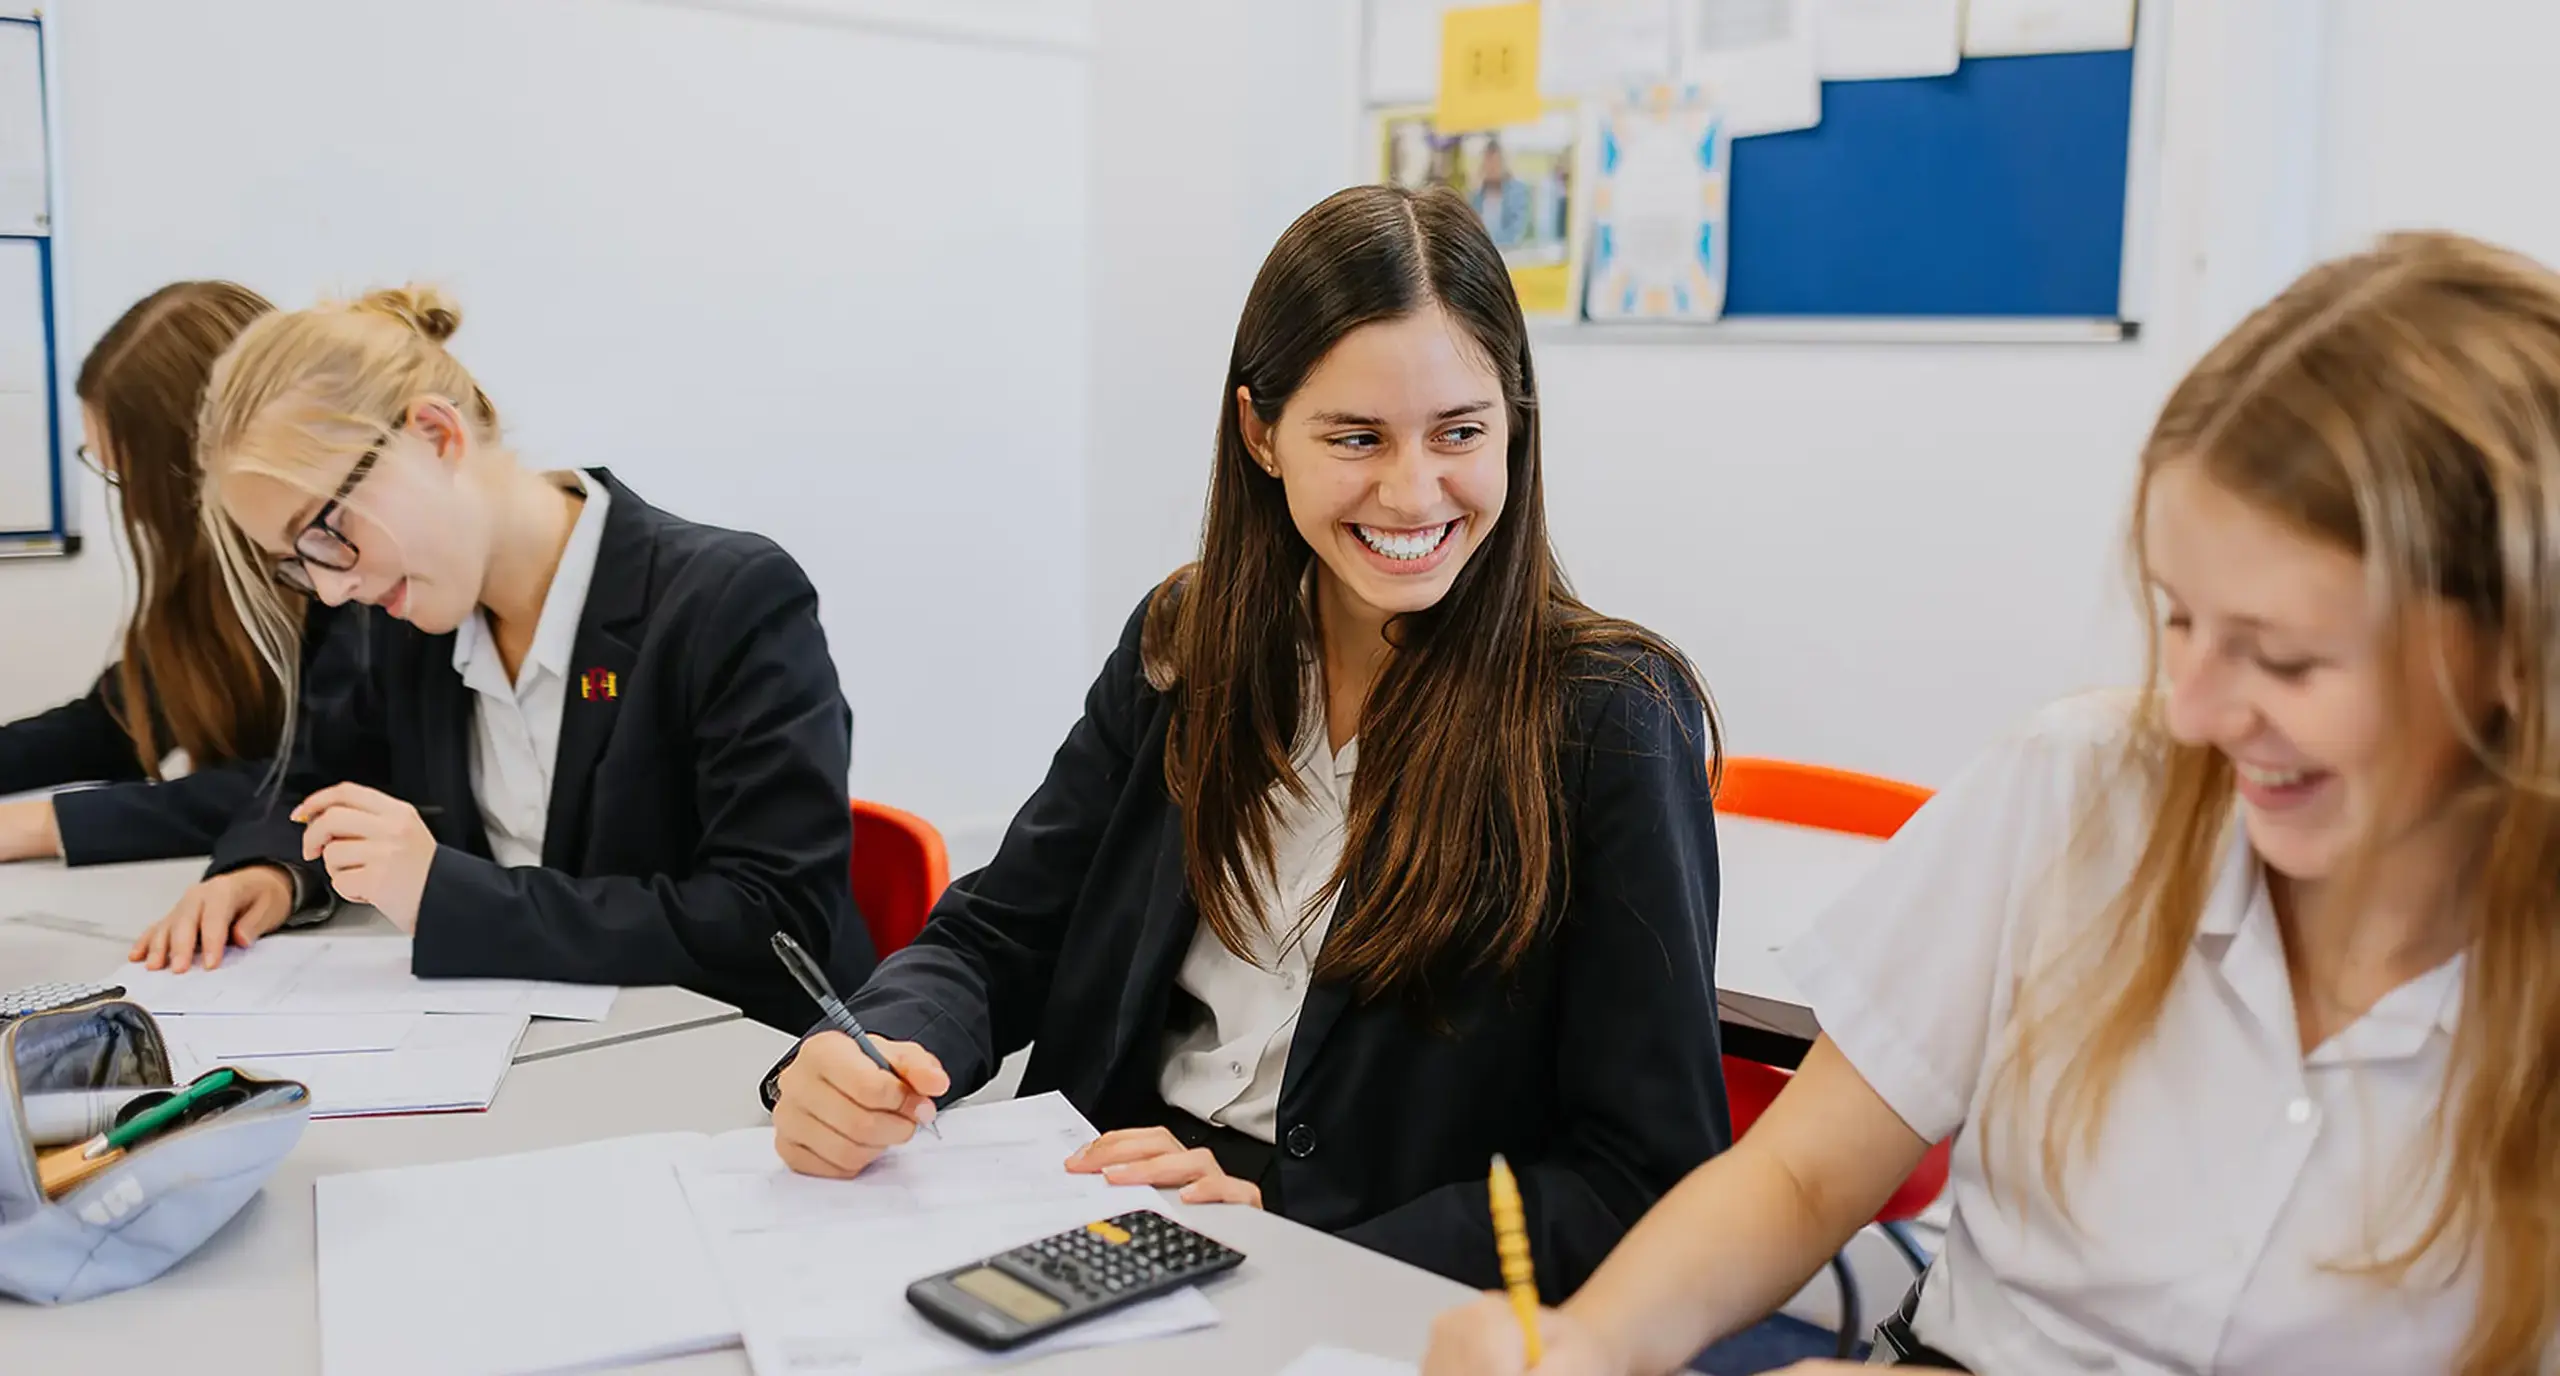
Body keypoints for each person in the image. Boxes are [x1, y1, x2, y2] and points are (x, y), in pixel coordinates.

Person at [1423, 230, 2560, 1375]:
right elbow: (1801, 1170)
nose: (2200, 708)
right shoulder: (2080, 789)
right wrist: (1594, 1340)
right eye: (2177, 619)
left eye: (2287, 659)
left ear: (2514, 657)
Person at [763, 185, 1728, 1294]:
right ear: (1262, 434)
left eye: (1460, 432)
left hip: (1358, 1281)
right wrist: (867, 1044)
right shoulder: (1187, 640)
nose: (1414, 491)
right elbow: (1000, 934)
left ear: (1515, 424)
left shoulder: (1608, 715)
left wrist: (1293, 1235)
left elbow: (1639, 1178)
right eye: (1356, 436)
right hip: (1094, 1216)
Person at [125, 285, 875, 1032]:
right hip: (541, 1055)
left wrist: (442, 894)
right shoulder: (405, 615)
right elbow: (312, 778)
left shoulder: (728, 600)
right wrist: (271, 871)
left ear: (434, 437)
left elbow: (773, 922)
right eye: (296, 562)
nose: (328, 588)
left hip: (747, 1068)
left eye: (326, 532)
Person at [0, 281, 353, 867]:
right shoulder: (207, 582)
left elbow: (311, 782)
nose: (132, 509)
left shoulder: (355, 582)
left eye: (129, 479)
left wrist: (43, 824)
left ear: (196, 470)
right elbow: (119, 722)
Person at [1472, 138, 1530, 249]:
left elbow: (1518, 231)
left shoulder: (1517, 191)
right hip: (1486, 255)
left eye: (1495, 162)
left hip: (1511, 254)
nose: (1492, 168)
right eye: (1488, 162)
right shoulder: (1478, 195)